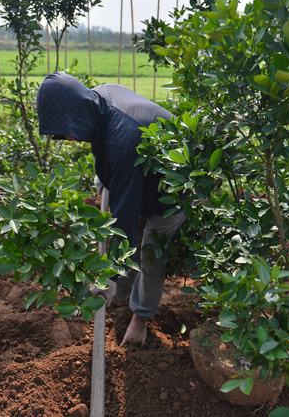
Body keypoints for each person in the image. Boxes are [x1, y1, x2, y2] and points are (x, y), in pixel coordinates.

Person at [36, 72, 185, 346]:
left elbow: (123, 216)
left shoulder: (124, 138)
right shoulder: (98, 99)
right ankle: (120, 297)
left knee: (151, 253)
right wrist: (104, 174)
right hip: (142, 171)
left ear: (75, 114)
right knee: (135, 240)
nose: (68, 137)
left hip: (172, 188)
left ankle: (140, 319)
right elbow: (103, 142)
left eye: (67, 129)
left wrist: (108, 277)